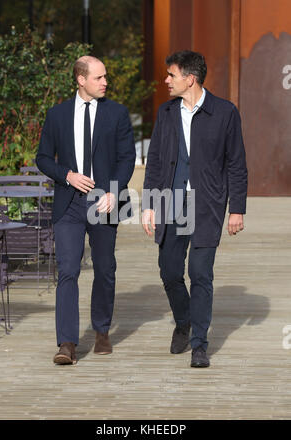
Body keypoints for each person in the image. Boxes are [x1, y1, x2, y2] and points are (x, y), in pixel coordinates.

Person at [142, 50, 247, 368]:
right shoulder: (167, 112)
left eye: (171, 75)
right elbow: (157, 161)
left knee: (200, 274)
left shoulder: (224, 112)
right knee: (170, 271)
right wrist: (149, 205)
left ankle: (200, 344)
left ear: (190, 78)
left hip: (206, 205)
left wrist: (237, 209)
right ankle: (184, 321)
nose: (166, 80)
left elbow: (236, 165)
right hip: (170, 203)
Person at [36, 56, 136, 365]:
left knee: (105, 269)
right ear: (81, 80)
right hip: (70, 202)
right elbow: (43, 158)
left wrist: (114, 191)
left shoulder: (117, 113)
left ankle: (102, 331)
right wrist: (66, 174)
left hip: (106, 200)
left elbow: (127, 157)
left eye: (106, 77)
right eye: (99, 77)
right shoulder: (57, 115)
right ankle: (67, 342)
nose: (105, 82)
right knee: (68, 270)